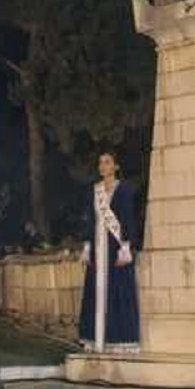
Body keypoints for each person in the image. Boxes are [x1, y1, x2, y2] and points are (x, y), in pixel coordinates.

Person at [78, 151, 141, 353]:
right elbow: (90, 220)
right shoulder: (94, 191)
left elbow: (128, 218)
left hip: (116, 247)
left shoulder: (125, 190)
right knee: (94, 292)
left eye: (107, 162)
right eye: (100, 163)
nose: (103, 166)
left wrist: (126, 246)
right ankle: (93, 339)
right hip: (98, 247)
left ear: (116, 166)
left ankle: (120, 340)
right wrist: (87, 247)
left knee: (119, 290)